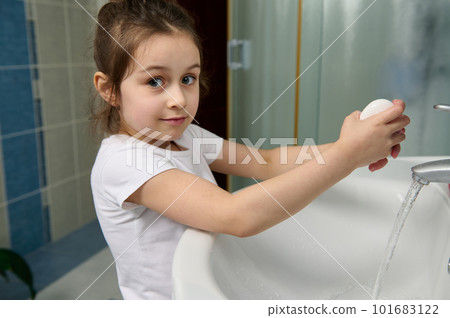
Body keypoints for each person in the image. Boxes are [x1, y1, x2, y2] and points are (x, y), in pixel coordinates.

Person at [90, 0, 410, 300]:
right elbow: (234, 216)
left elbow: (266, 161)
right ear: (109, 90)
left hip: (201, 288)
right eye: (155, 81)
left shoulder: (185, 136)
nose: (179, 98)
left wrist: (350, 147)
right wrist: (346, 156)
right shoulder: (124, 162)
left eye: (188, 78)